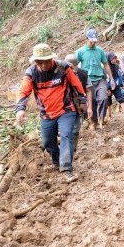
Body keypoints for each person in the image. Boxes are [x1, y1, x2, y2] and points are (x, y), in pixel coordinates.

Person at [15, 44, 87, 182]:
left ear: (51, 59)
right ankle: (57, 161)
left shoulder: (63, 68)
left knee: (67, 135)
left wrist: (82, 100)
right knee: (48, 142)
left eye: (45, 62)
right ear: (35, 62)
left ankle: (66, 168)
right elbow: (24, 91)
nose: (42, 65)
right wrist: (20, 109)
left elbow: (76, 84)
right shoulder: (31, 73)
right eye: (39, 62)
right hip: (46, 114)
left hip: (66, 109)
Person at [76, 29, 114, 129]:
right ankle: (94, 122)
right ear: (86, 39)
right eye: (91, 40)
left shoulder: (100, 51)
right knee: (92, 102)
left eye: (94, 41)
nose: (93, 42)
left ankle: (102, 118)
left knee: (104, 98)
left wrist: (111, 78)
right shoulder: (80, 52)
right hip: (88, 80)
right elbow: (74, 65)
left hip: (100, 78)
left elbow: (105, 64)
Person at [65, 54, 93, 153]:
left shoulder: (83, 74)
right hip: (64, 106)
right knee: (65, 131)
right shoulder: (60, 73)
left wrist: (89, 107)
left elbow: (89, 90)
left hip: (78, 106)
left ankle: (72, 150)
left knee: (75, 130)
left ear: (77, 64)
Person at [106, 52, 124, 116]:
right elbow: (104, 79)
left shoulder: (116, 66)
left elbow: (119, 75)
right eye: (113, 58)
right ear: (109, 59)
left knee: (121, 98)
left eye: (115, 58)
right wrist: (107, 88)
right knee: (108, 101)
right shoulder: (105, 67)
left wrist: (120, 84)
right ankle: (109, 115)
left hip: (116, 85)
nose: (114, 60)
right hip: (108, 86)